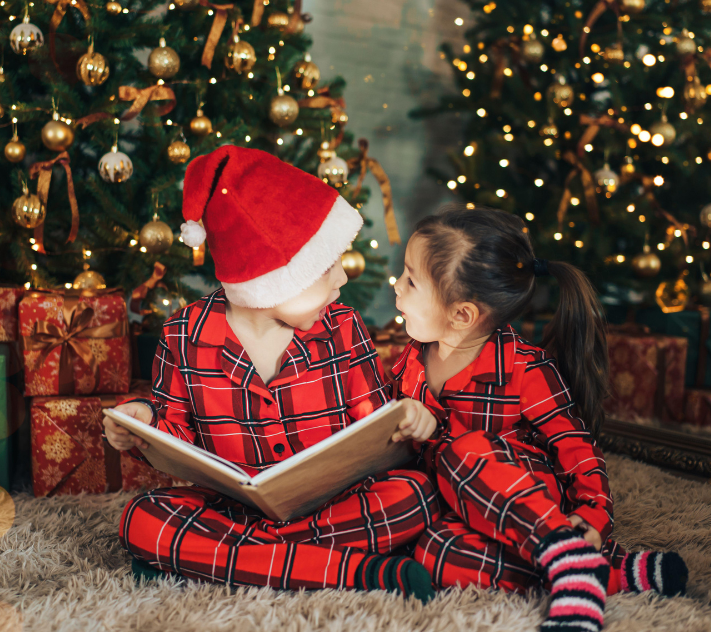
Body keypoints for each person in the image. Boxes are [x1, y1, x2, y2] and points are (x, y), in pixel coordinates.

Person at [102, 146, 440, 601]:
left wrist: (408, 422)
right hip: (235, 509)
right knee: (142, 518)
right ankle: (350, 571)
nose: (341, 278)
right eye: (324, 268)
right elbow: (174, 431)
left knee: (416, 494)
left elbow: (375, 427)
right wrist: (142, 421)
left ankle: (223, 563)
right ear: (272, 278)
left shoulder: (344, 327)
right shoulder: (184, 334)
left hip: (333, 506)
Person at [390, 205, 688, 631]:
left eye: (410, 280)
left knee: (466, 450)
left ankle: (567, 554)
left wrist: (593, 514)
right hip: (462, 508)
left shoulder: (524, 368)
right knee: (433, 551)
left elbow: (575, 445)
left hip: (528, 498)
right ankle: (609, 573)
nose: (396, 287)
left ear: (462, 314)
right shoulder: (413, 360)